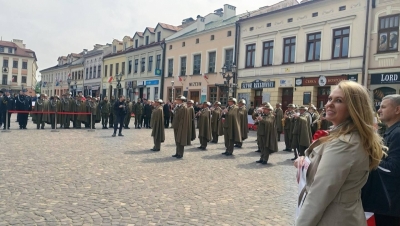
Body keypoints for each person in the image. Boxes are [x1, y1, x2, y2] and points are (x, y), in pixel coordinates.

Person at [295, 81, 384, 225]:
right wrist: (304, 162)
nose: (329, 104)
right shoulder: (344, 137)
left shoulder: (343, 143)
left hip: (333, 218)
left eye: (339, 101)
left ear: (353, 108)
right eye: (330, 99)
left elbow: (319, 194)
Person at [362, 94, 400, 225]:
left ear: (397, 110)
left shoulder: (398, 133)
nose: (379, 110)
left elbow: (394, 168)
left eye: (383, 107)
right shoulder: (393, 131)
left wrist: (367, 158)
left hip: (390, 204)